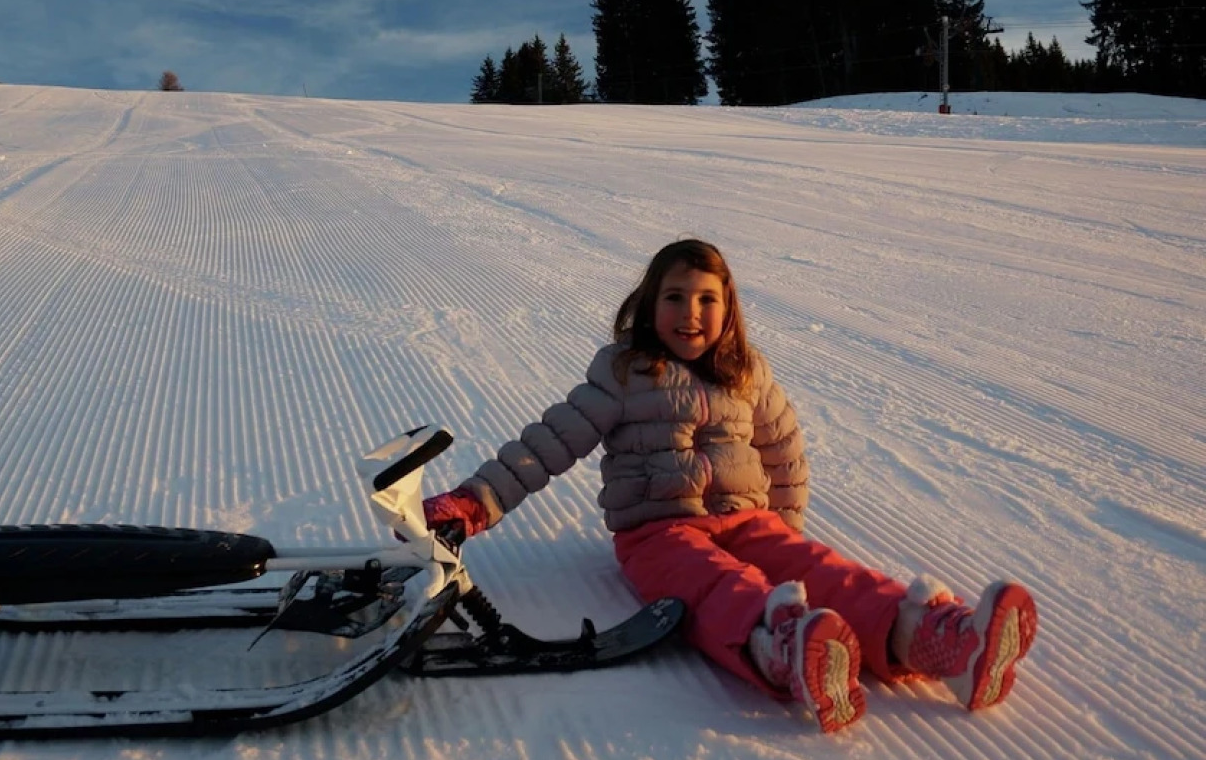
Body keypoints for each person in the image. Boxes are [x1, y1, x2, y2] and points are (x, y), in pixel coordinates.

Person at [422, 238, 1037, 734]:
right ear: (648, 305)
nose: (691, 313)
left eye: (706, 299)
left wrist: (784, 535)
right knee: (714, 586)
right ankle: (780, 644)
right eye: (674, 296)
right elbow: (548, 443)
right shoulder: (623, 373)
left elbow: (784, 451)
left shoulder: (746, 371)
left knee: (828, 571)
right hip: (657, 532)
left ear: (729, 307)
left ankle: (938, 642)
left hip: (748, 521)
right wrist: (476, 503)